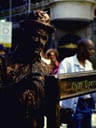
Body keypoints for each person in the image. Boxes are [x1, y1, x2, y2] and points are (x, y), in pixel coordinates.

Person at [0, 10, 55, 128]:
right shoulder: (4, 63)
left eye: (44, 38)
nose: (40, 42)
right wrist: (18, 87)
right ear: (24, 34)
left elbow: (45, 105)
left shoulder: (45, 69)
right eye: (36, 35)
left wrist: (57, 111)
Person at [58, 38, 96, 128]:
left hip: (88, 105)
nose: (93, 52)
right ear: (82, 49)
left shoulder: (88, 64)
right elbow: (59, 84)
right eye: (90, 49)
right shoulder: (67, 62)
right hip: (75, 106)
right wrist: (60, 107)